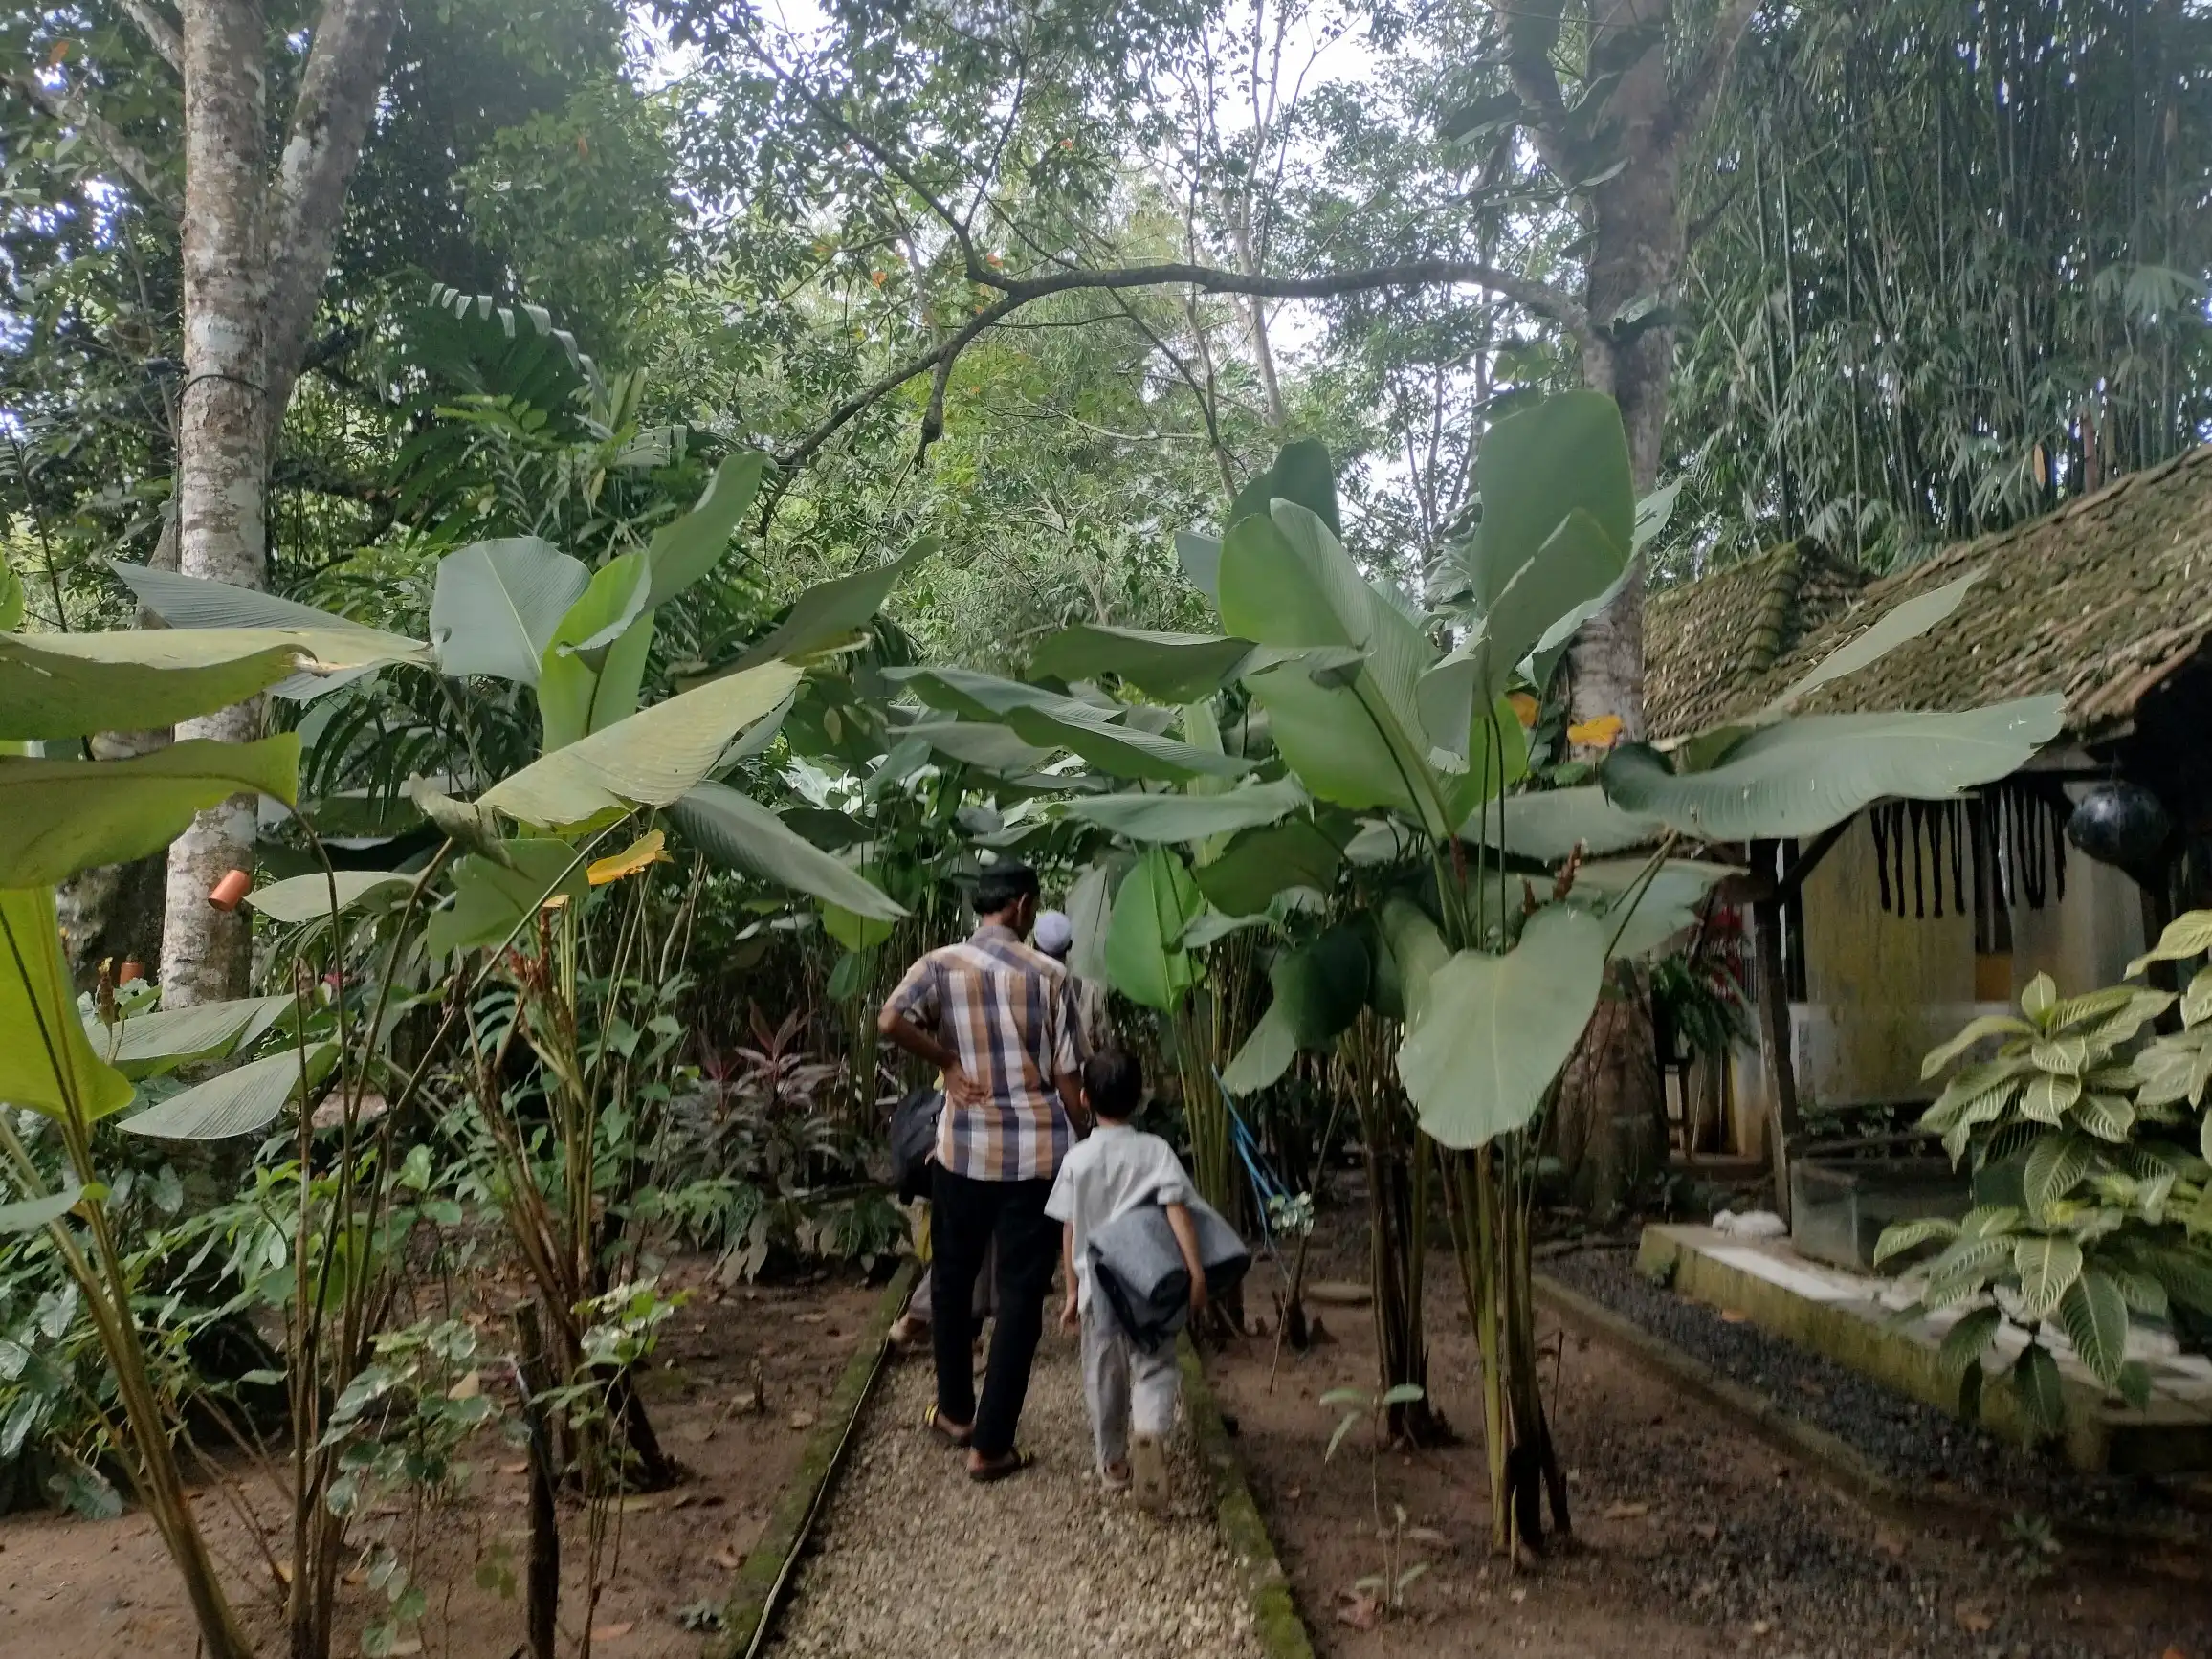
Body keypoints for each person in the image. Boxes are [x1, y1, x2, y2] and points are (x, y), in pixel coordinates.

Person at [877, 860, 1083, 1482]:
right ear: (1022, 907)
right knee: (1021, 1294)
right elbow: (1068, 1074)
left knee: (952, 1279)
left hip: (963, 1152)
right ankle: (991, 1445)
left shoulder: (939, 964)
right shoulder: (1050, 975)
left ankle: (957, 1413)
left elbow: (889, 1020)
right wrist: (1090, 1134)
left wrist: (945, 1061)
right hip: (1037, 1155)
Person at [1047, 1048, 1205, 1514]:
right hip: (1150, 1284)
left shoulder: (1078, 1159)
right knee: (1154, 1364)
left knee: (1105, 1373)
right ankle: (1150, 1432)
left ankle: (1114, 1461)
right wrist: (1195, 1274)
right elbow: (1177, 1210)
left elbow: (1069, 1226)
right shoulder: (1155, 1151)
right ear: (1138, 1099)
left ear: (1083, 1098)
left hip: (1100, 1288)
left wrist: (1073, 1290)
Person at [1032, 908, 1113, 1058]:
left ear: (1034, 946)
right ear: (1069, 946)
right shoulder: (1090, 992)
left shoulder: (1023, 992)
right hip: (1082, 1079)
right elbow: (1104, 1046)